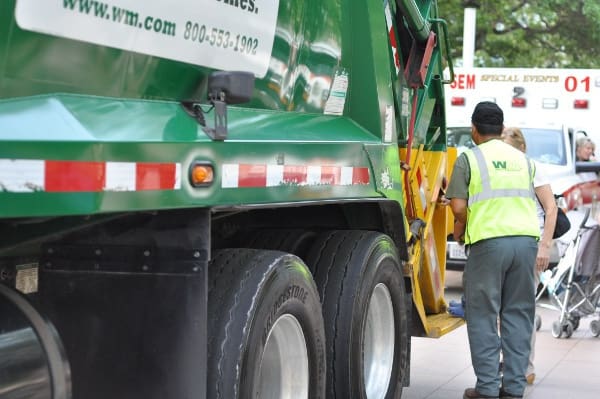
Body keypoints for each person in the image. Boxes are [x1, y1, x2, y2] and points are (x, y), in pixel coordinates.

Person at [446, 102, 540, 399]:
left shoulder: (469, 159)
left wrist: (464, 226)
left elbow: (458, 207)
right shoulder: (524, 160)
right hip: (526, 243)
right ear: (501, 129)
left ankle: (486, 388)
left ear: (474, 129)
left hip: (489, 244)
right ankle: (513, 388)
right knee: (518, 314)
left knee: (484, 314)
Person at [501, 127, 558, 385]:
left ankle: (525, 366)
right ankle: (513, 363)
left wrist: (545, 246)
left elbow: (551, 208)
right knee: (504, 310)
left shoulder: (533, 168)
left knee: (521, 309)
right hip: (505, 244)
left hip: (530, 245)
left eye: (509, 148)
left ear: (521, 149)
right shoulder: (499, 169)